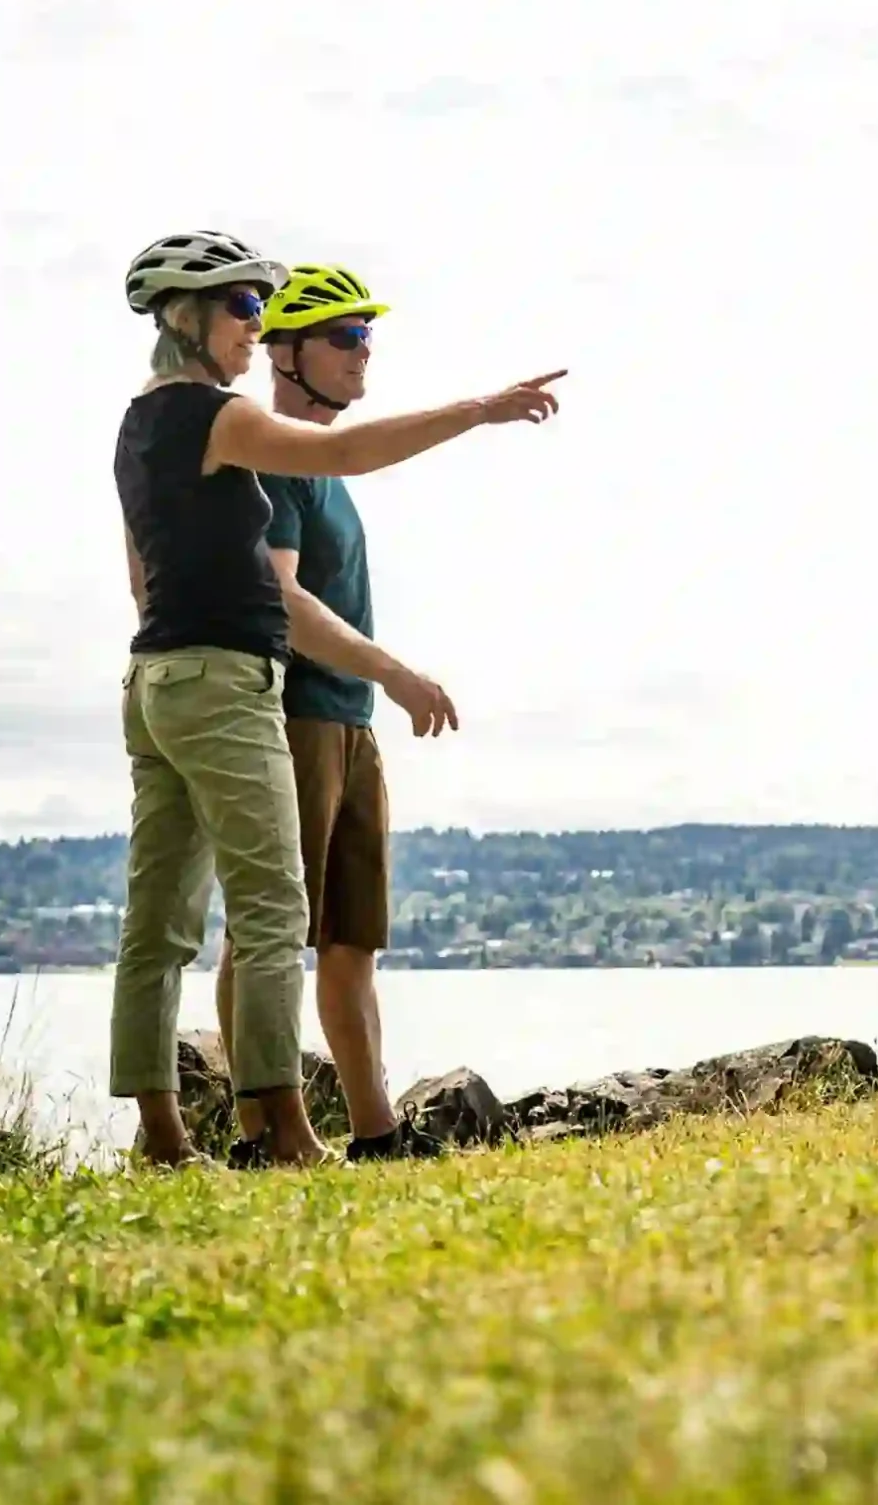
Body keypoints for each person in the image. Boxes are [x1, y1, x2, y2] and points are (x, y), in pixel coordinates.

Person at [111, 229, 565, 1169]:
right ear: (188, 318)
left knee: (157, 926)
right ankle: (280, 1132)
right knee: (274, 914)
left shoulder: (136, 424)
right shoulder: (215, 415)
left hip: (156, 674)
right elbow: (349, 453)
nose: (254, 324)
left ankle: (163, 1137)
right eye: (244, 308)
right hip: (227, 679)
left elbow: (141, 580)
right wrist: (480, 408)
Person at [215, 263, 455, 1164]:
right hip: (298, 716)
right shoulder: (277, 462)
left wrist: (376, 690)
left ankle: (376, 1129)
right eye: (345, 336)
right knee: (265, 930)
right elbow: (283, 599)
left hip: (349, 723)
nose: (364, 354)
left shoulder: (329, 474)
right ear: (287, 351)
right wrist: (395, 672)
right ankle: (261, 1135)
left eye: (366, 336)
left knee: (351, 938)